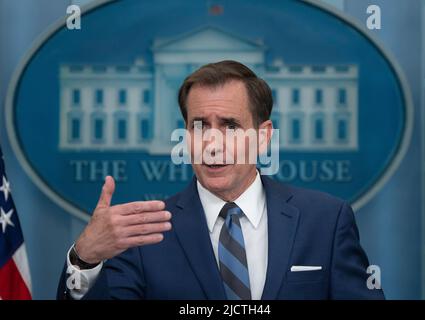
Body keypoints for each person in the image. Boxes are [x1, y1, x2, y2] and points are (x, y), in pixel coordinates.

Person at [57, 60, 384, 300]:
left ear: (263, 137)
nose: (212, 144)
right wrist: (84, 258)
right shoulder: (145, 234)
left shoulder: (325, 221)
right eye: (200, 126)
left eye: (230, 126)